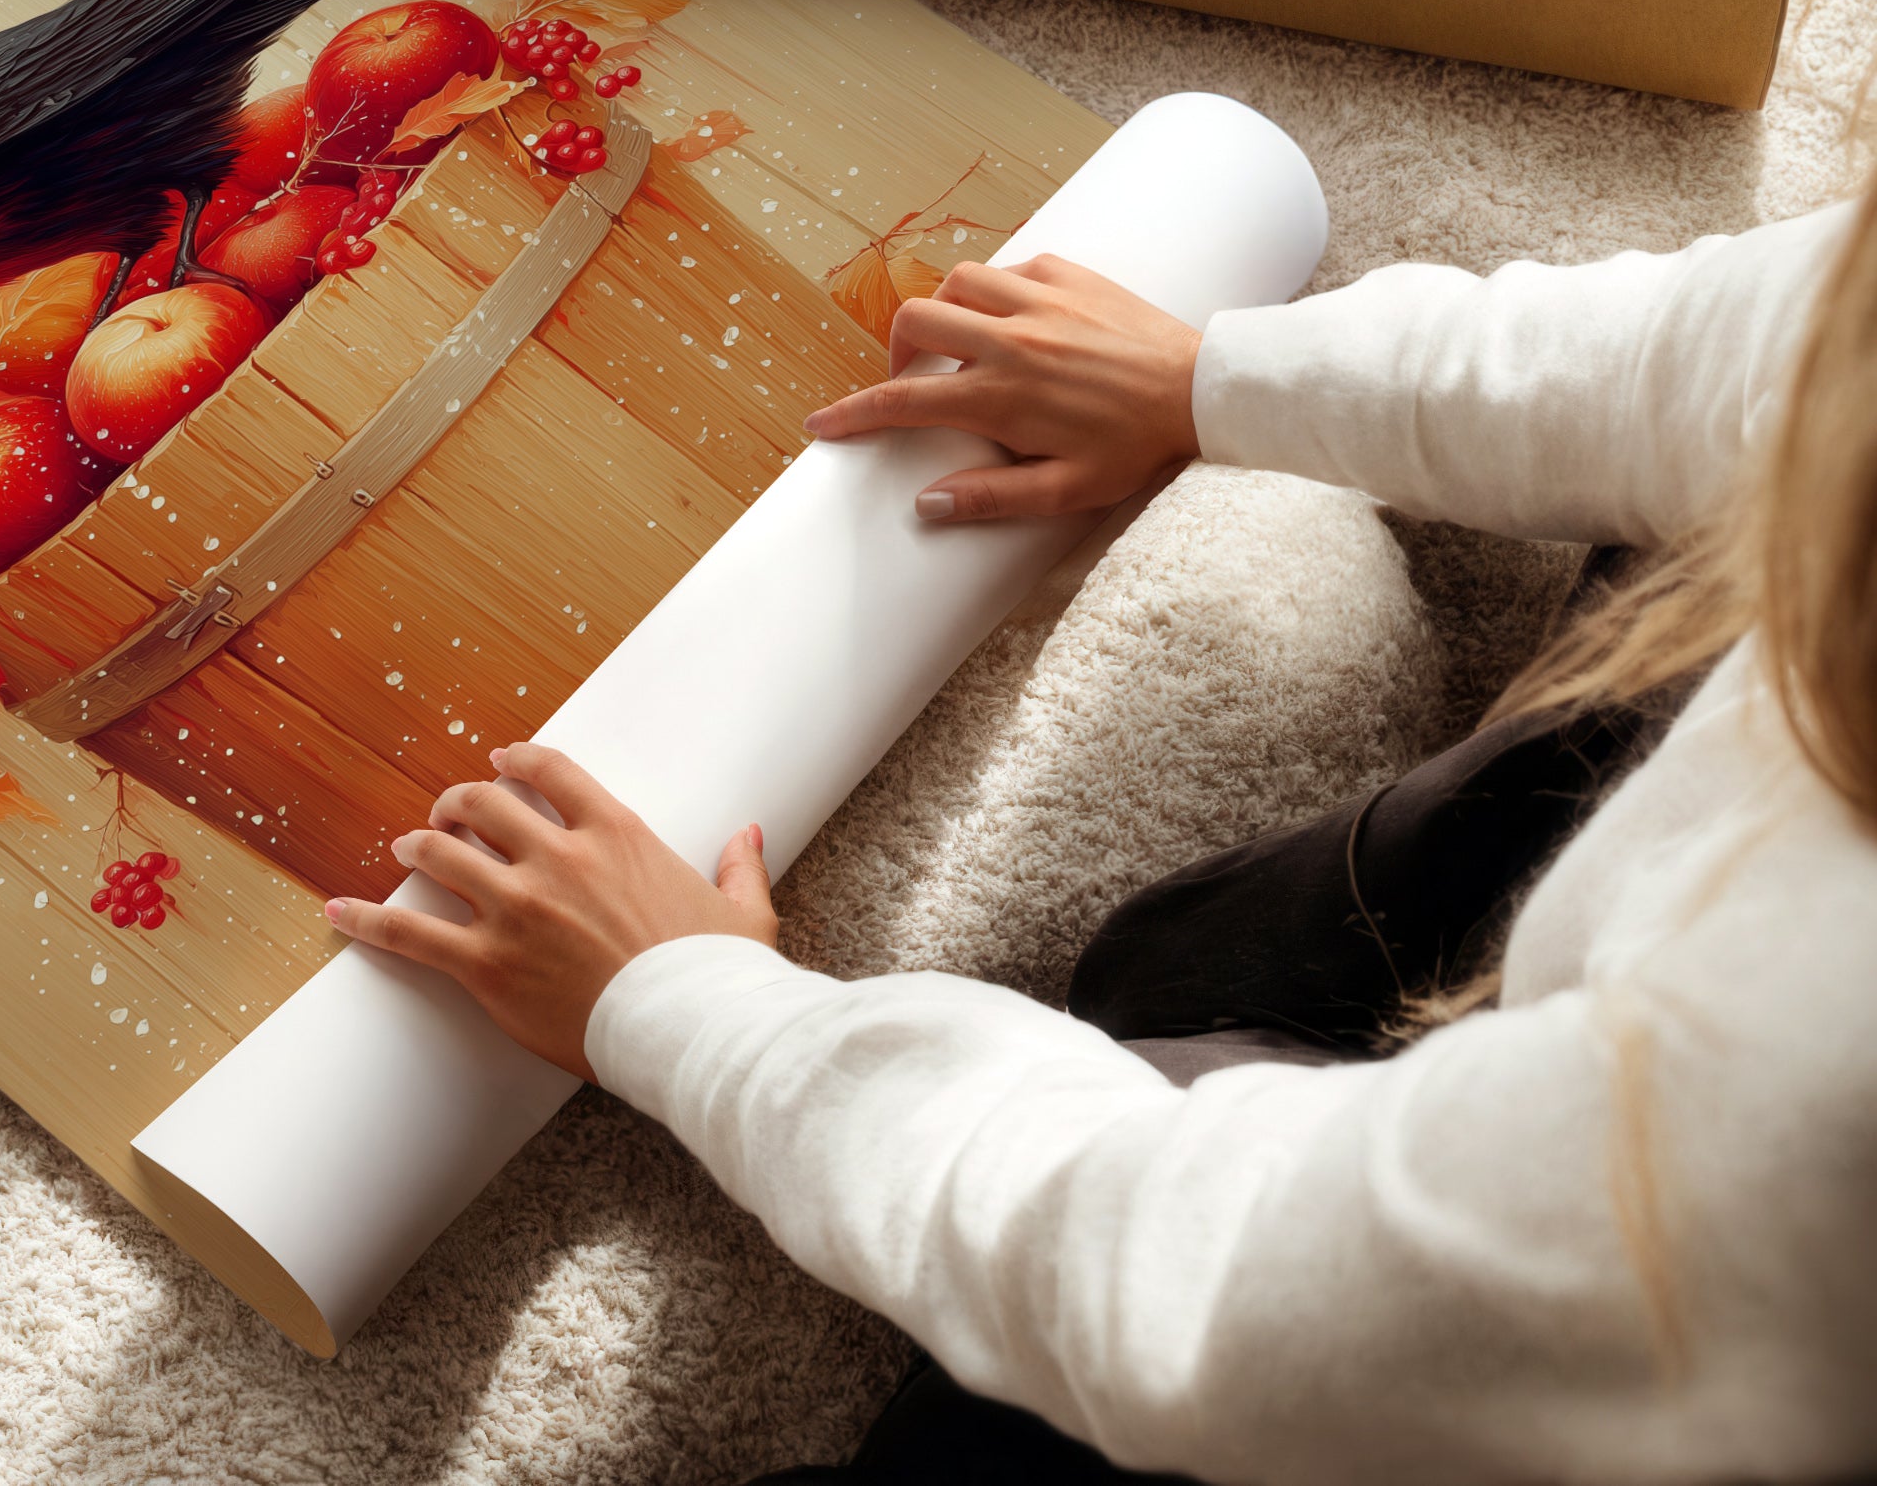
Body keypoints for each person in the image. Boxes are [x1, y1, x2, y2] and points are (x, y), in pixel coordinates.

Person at [322, 195, 1877, 1482]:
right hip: (1682, 1033)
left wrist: (690, 1009)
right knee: (1173, 965)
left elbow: (1207, 1287)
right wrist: (1211, 376)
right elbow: (1756, 345)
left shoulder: (1803, 1102)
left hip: (1668, 1342)